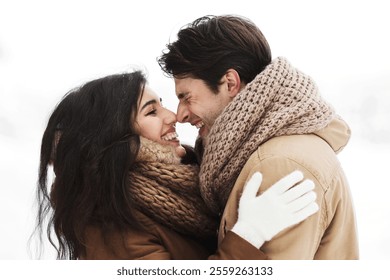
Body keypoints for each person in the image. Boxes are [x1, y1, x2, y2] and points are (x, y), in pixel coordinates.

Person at [35, 70, 319, 260]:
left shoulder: (183, 184)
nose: (173, 116)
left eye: (162, 104)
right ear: (116, 136)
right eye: (152, 111)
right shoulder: (109, 226)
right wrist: (249, 234)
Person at [158, 14, 359, 259]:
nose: (180, 115)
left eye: (186, 97)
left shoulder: (277, 166)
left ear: (230, 83)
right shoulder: (267, 152)